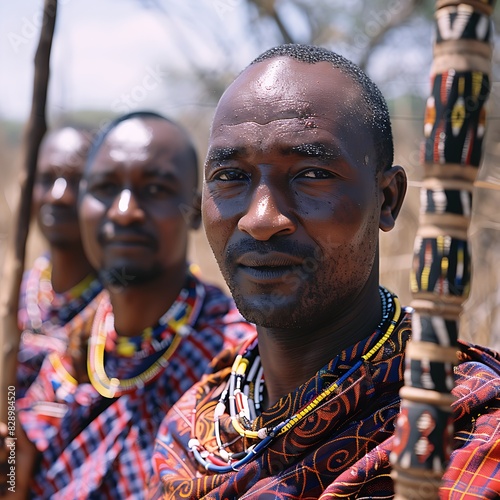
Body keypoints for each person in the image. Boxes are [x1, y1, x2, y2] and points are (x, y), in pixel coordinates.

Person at [149, 45, 500, 499]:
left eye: (312, 173)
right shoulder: (194, 428)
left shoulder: (462, 430)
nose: (261, 218)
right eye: (230, 175)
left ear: (387, 200)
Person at [15, 111, 255, 499]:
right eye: (105, 188)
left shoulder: (234, 357)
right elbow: (22, 456)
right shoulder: (78, 342)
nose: (124, 211)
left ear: (194, 211)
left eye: (156, 189)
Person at [17, 126, 103, 397]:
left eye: (77, 180)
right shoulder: (19, 292)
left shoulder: (118, 309)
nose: (58, 195)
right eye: (46, 179)